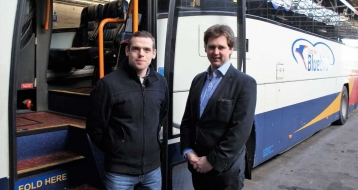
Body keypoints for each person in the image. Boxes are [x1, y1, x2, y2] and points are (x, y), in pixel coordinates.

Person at [87, 30, 169, 190]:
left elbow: (162, 116)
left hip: (153, 170)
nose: (141, 54)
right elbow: (94, 129)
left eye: (146, 50)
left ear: (154, 53)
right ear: (127, 51)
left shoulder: (161, 83)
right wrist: (116, 148)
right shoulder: (108, 85)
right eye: (136, 49)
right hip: (119, 174)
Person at [180, 24, 257, 190]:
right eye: (211, 47)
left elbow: (240, 131)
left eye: (221, 47)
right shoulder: (198, 80)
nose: (216, 52)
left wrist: (211, 161)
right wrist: (188, 151)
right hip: (197, 167)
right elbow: (188, 120)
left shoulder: (244, 83)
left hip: (225, 173)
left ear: (231, 49)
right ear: (205, 49)